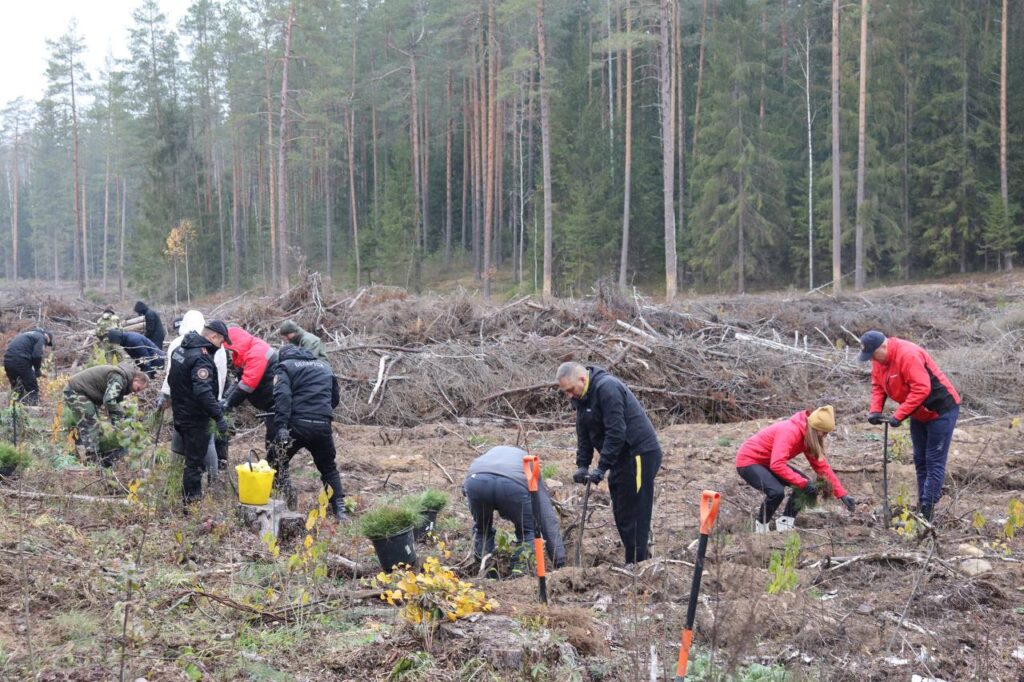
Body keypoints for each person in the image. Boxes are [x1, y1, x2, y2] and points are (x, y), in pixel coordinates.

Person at [556, 362, 662, 564]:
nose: (568, 395)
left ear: (582, 379)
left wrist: (602, 467)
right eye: (565, 392)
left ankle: (638, 566)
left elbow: (616, 432)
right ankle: (635, 561)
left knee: (635, 512)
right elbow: (584, 433)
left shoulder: (607, 388)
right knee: (622, 512)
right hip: (622, 458)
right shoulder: (581, 396)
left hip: (639, 454)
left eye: (570, 390)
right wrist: (583, 465)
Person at [859, 330, 961, 522]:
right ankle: (923, 505)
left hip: (941, 410)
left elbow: (922, 388)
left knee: (933, 460)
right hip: (918, 412)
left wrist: (899, 415)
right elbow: (878, 386)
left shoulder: (908, 355)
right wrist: (875, 410)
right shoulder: (879, 361)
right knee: (919, 459)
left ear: (884, 346)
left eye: (873, 355)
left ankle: (928, 510)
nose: (873, 359)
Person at [735, 405, 855, 533]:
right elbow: (777, 465)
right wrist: (803, 483)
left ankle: (785, 524)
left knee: (806, 487)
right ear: (816, 428)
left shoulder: (808, 436)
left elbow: (822, 467)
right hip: (748, 461)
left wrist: (842, 494)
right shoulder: (790, 431)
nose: (825, 436)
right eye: (824, 432)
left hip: (768, 462)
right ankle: (761, 528)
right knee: (777, 492)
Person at [463, 445, 566, 570]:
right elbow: (545, 514)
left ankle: (484, 571)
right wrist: (558, 560)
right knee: (527, 531)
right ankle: (519, 572)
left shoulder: (487, 456)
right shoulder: (529, 462)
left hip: (477, 481)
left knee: (482, 529)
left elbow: (465, 489)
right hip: (513, 485)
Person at [272, 345, 345, 518]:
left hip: (295, 427)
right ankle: (340, 510)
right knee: (328, 469)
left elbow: (282, 396)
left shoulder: (285, 366)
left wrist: (281, 425)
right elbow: (334, 399)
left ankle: (283, 498)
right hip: (322, 426)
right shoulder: (325, 367)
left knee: (274, 463)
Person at [168, 320, 231, 505]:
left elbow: (172, 380)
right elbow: (203, 391)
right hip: (194, 418)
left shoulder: (180, 349)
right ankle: (191, 505)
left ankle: (186, 499)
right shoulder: (201, 357)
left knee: (189, 459)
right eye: (221, 342)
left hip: (180, 413)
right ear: (213, 337)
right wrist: (218, 417)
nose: (221, 347)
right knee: (194, 464)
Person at [159, 310, 228, 469]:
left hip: (182, 405)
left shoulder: (179, 345)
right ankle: (212, 479)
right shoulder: (208, 349)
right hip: (200, 406)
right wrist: (217, 411)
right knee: (202, 448)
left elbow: (171, 377)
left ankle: (175, 474)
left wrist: (167, 396)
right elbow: (215, 381)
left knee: (183, 443)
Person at [64, 362, 148, 466]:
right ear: (135, 380)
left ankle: (83, 452)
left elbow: (113, 407)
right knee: (90, 424)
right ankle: (92, 459)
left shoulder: (124, 379)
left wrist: (119, 425)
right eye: (138, 388)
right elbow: (109, 401)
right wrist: (119, 413)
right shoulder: (119, 378)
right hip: (76, 391)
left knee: (92, 424)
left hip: (83, 392)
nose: (136, 392)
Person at [222, 325, 278, 449]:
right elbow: (239, 380)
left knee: (275, 437)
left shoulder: (257, 351)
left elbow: (247, 384)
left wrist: (229, 404)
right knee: (273, 434)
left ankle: (276, 464)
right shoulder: (246, 351)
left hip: (278, 401)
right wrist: (225, 398)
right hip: (271, 401)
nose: (230, 353)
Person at [3, 328, 52, 405]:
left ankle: (13, 411)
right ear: (46, 336)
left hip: (7, 361)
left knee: (17, 388)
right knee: (32, 388)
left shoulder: (27, 335)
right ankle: (33, 411)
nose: (45, 346)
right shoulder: (41, 337)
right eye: (46, 344)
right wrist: (37, 370)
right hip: (20, 360)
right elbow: (37, 355)